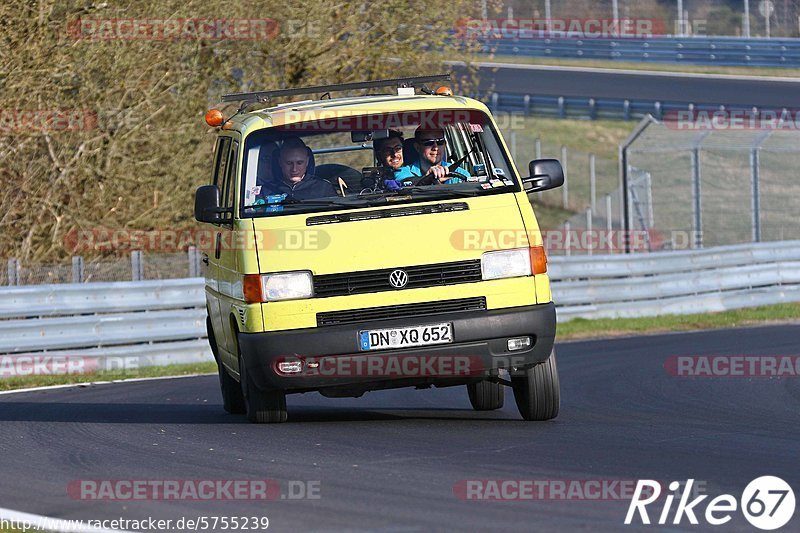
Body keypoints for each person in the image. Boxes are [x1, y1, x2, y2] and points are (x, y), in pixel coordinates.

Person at [259, 137, 336, 200]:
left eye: (299, 163)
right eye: (289, 163)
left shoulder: (324, 188)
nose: (294, 169)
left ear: (307, 161)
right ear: (280, 162)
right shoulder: (266, 190)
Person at [394, 128, 469, 184]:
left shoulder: (461, 173)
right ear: (417, 147)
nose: (435, 148)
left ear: (445, 145)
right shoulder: (401, 173)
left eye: (440, 142)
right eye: (429, 143)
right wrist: (427, 179)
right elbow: (404, 185)